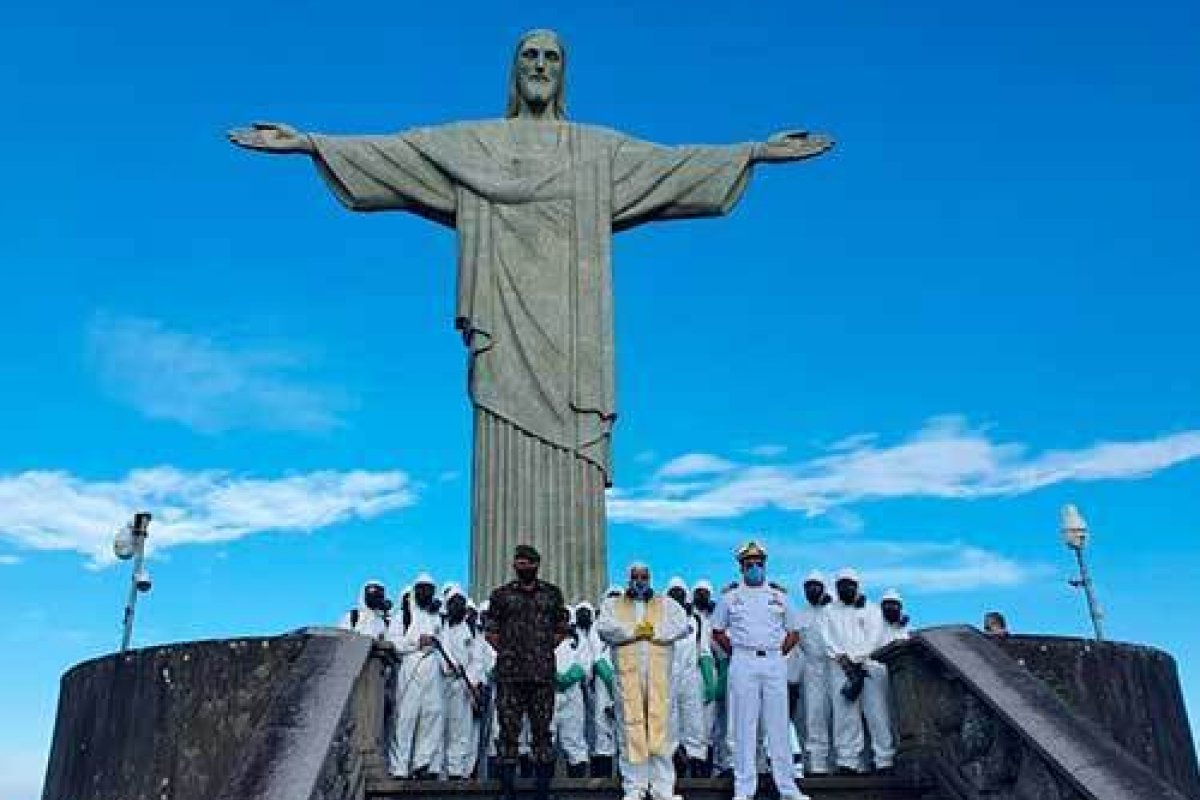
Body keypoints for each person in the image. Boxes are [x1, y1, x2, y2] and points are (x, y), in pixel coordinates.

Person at [711, 541, 808, 800]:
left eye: (758, 564)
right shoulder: (731, 598)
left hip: (774, 661)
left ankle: (787, 787)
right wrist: (737, 652)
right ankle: (744, 789)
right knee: (744, 725)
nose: (754, 568)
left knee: (778, 726)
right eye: (749, 564)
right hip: (743, 660)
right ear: (741, 568)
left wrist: (777, 653)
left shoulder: (779, 597)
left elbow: (794, 631)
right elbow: (718, 631)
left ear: (765, 566)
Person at [597, 563, 690, 800]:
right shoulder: (613, 604)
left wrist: (655, 631)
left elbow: (681, 626)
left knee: (662, 730)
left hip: (658, 679)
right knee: (630, 730)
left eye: (644, 577)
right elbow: (605, 628)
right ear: (628, 580)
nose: (640, 581)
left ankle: (662, 788)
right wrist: (633, 631)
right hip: (628, 678)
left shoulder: (665, 604)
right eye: (635, 577)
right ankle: (634, 787)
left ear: (650, 579)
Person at [486, 545, 569, 800]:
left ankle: (542, 790)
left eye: (527, 562)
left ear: (536, 564)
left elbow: (561, 627)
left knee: (542, 732)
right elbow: (491, 631)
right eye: (518, 562)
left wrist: (542, 649)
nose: (522, 566)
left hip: (542, 675)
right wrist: (512, 652)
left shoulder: (552, 594)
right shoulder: (501, 595)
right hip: (510, 676)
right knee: (508, 731)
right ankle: (507, 789)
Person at [819, 568, 880, 774]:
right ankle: (848, 761)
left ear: (857, 586)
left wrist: (858, 658)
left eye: (850, 583)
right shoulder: (829, 611)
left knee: (876, 713)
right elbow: (826, 638)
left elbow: (874, 636)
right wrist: (844, 658)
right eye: (842, 584)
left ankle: (883, 760)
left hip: (868, 665)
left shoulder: (869, 609)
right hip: (840, 667)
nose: (846, 587)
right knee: (845, 716)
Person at [387, 573, 446, 779]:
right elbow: (393, 642)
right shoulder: (402, 616)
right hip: (410, 669)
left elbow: (445, 645)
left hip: (433, 671)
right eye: (422, 588)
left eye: (429, 589)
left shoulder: (437, 617)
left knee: (432, 715)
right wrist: (415, 643)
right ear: (415, 590)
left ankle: (423, 763)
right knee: (405, 718)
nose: (426, 593)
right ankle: (399, 767)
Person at [859, 589, 908, 773]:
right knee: (877, 717)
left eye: (894, 604)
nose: (890, 608)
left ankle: (898, 757)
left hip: (897, 675)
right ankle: (883, 760)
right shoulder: (872, 622)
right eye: (887, 604)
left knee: (896, 716)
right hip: (873, 673)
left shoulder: (903, 629)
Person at [789, 571, 832, 775]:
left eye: (816, 585)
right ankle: (817, 765)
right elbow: (796, 648)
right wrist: (793, 679)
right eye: (808, 586)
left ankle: (844, 763)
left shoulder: (834, 611)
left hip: (836, 668)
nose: (812, 590)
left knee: (841, 717)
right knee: (814, 717)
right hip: (811, 670)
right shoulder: (800, 615)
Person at [666, 577, 709, 778]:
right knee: (670, 723)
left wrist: (710, 680)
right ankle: (674, 767)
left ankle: (698, 764)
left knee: (694, 722)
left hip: (691, 676)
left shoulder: (697, 621)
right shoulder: (661, 619)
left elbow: (704, 651)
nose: (677, 596)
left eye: (680, 593)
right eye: (673, 592)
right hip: (667, 677)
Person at [442, 588, 484, 780]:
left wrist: (472, 681)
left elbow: (476, 660)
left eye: (460, 602)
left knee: (462, 731)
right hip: (440, 685)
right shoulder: (440, 627)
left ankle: (457, 772)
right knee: (440, 729)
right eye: (453, 602)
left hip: (463, 686)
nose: (457, 606)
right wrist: (448, 667)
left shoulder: (470, 631)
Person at [590, 589, 623, 777]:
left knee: (627, 732)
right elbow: (598, 658)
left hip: (627, 681)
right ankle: (603, 782)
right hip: (605, 683)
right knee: (603, 730)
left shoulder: (629, 624)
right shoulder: (597, 626)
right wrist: (612, 683)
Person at [554, 608, 591, 776]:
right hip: (548, 695)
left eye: (564, 618)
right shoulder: (542, 636)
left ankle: (576, 788)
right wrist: (552, 675)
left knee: (574, 742)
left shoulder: (578, 640)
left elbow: (585, 662)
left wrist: (569, 677)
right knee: (544, 741)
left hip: (572, 696)